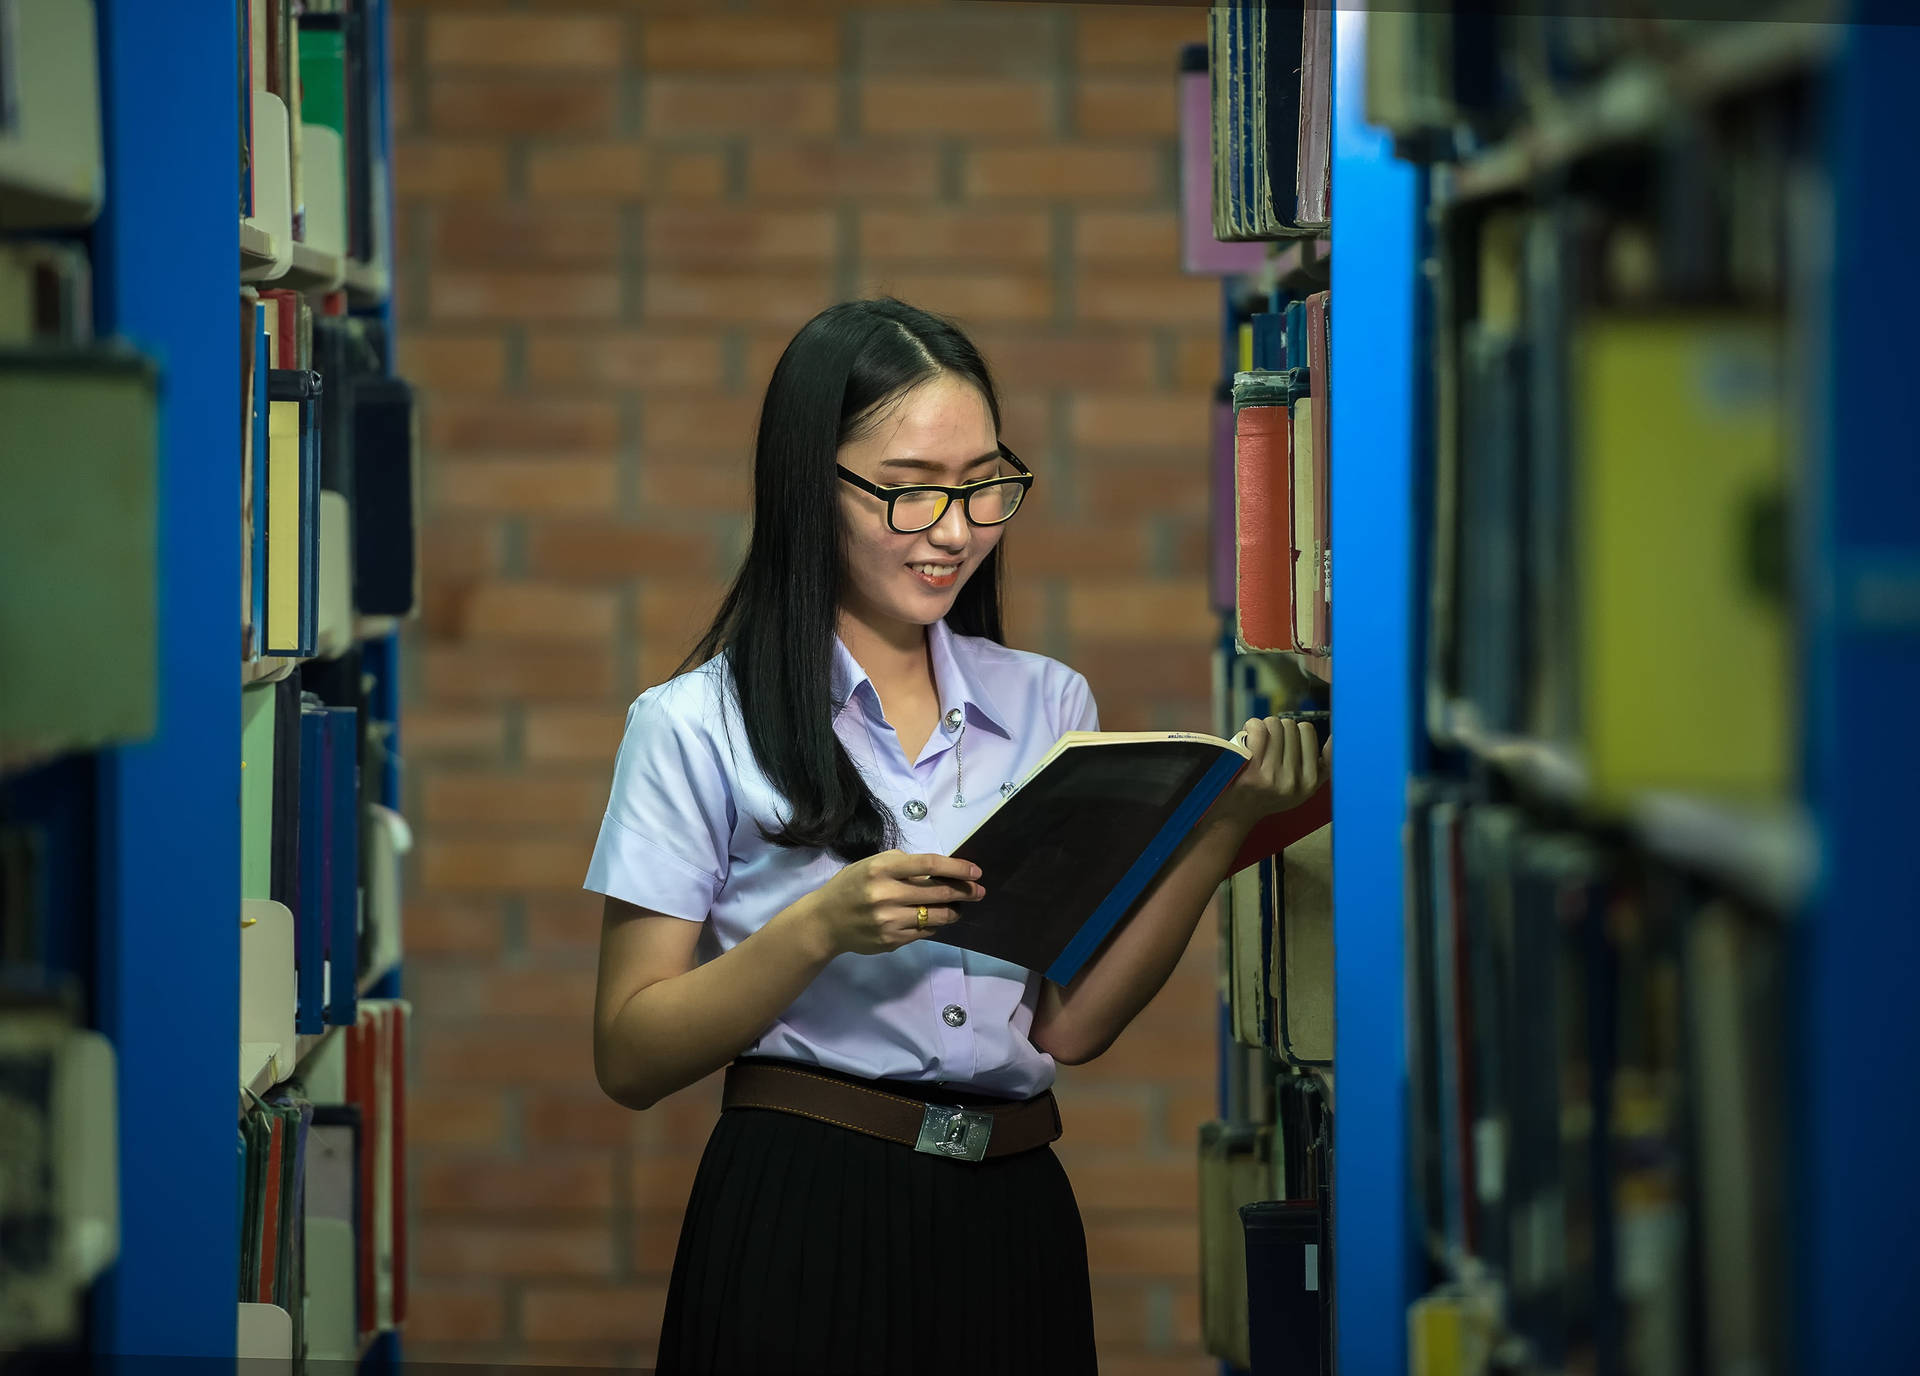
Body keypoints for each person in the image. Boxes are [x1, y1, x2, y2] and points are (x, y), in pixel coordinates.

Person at [584, 298, 1326, 1375]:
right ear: (809, 485)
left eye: (986, 483)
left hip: (1014, 1208)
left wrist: (1215, 836)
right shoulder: (693, 724)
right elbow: (629, 1051)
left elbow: (1070, 1028)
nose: (956, 527)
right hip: (802, 1203)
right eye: (910, 488)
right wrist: (819, 927)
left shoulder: (1049, 706)